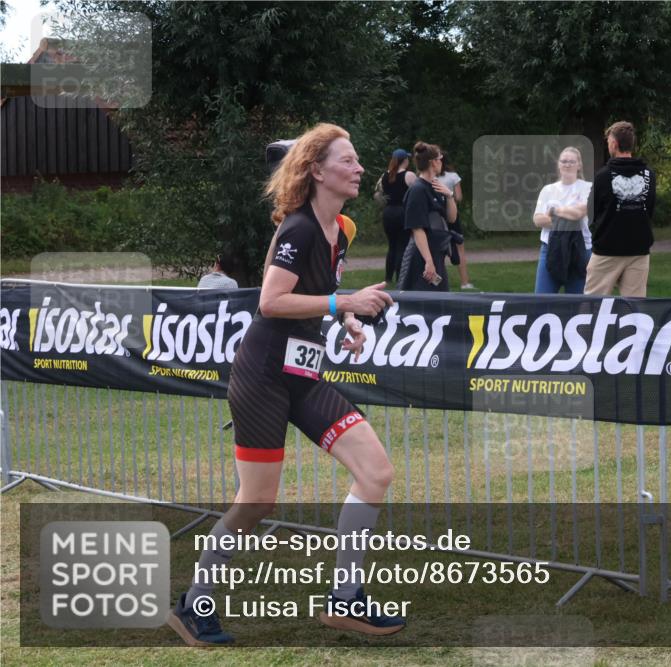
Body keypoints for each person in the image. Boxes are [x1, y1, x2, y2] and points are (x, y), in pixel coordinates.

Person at [169, 123, 401, 646]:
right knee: (256, 503)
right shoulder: (296, 228)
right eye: (348, 160)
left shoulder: (341, 228)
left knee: (376, 471)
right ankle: (192, 607)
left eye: (358, 160)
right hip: (263, 377)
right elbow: (270, 302)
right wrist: (345, 305)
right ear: (317, 170)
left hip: (303, 375)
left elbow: (322, 290)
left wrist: (347, 320)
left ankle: (346, 598)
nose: (360, 168)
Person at [584, 121, 656, 298]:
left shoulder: (603, 175)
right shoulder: (649, 175)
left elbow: (591, 212)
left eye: (608, 142)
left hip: (606, 250)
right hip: (639, 249)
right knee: (635, 308)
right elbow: (650, 210)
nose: (608, 145)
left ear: (614, 144)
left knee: (593, 308)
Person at [397, 141, 457, 291]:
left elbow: (451, 218)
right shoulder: (418, 190)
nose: (442, 162)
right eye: (440, 158)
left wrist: (449, 195)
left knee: (441, 298)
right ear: (433, 162)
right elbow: (417, 229)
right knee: (420, 301)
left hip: (437, 253)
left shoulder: (436, 187)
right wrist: (428, 261)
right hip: (422, 256)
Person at [532, 147, 592, 294]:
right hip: (551, 249)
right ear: (558, 164)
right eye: (564, 161)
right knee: (542, 301)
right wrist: (567, 216)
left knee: (579, 305)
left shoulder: (588, 188)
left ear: (579, 165)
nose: (567, 164)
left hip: (580, 249)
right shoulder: (548, 190)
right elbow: (538, 219)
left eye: (572, 161)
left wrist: (554, 211)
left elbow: (579, 213)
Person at [379, 148, 417, 284]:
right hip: (402, 212)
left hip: (388, 213)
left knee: (392, 246)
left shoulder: (385, 175)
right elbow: (417, 193)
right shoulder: (409, 175)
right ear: (405, 160)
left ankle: (388, 278)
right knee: (402, 245)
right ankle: (400, 277)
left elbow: (380, 193)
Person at [438, 153, 475, 290]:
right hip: (452, 214)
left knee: (436, 249)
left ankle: (435, 281)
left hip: (436, 216)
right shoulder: (453, 176)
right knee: (459, 249)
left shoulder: (430, 178)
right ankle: (465, 282)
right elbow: (458, 197)